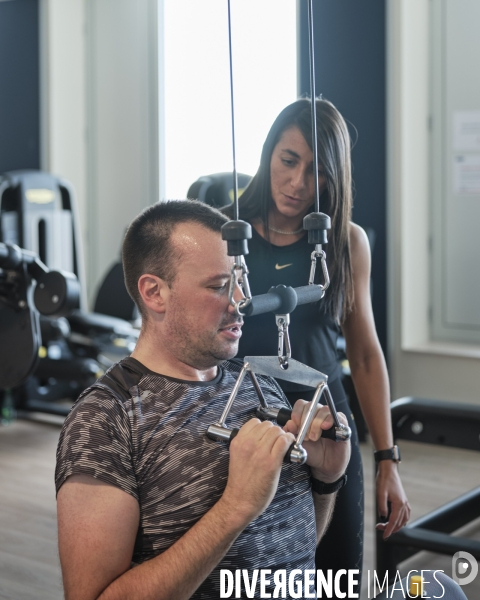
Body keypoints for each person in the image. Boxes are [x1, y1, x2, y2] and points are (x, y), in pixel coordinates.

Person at [55, 200, 351, 600]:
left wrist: (327, 478)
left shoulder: (255, 384)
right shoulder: (106, 419)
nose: (241, 303)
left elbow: (290, 553)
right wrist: (234, 508)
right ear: (154, 292)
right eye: (218, 286)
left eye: (241, 283)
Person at [225, 98, 411, 596]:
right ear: (269, 155)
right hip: (245, 430)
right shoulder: (222, 232)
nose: (298, 183)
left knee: (336, 581)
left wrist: (387, 460)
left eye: (317, 171)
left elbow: (366, 355)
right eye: (289, 161)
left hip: (328, 431)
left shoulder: (345, 241)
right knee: (249, 580)